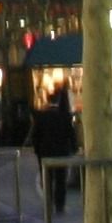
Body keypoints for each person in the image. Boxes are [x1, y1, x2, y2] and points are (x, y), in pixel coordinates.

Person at [34, 86, 80, 216]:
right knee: (61, 179)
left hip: (45, 153)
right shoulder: (65, 117)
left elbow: (36, 136)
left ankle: (48, 202)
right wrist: (74, 148)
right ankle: (60, 204)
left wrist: (38, 151)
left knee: (47, 178)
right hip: (61, 152)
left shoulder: (41, 117)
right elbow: (71, 134)